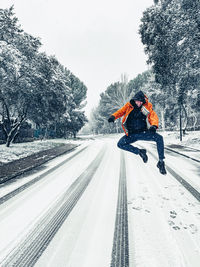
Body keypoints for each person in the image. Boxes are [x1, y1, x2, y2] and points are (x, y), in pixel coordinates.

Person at [108, 90, 167, 175]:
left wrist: (154, 125)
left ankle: (161, 162)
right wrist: (113, 116)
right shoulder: (129, 106)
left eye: (140, 102)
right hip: (132, 134)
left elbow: (152, 115)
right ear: (134, 100)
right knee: (120, 144)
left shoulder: (146, 107)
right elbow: (121, 111)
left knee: (159, 138)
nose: (139, 103)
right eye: (137, 101)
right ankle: (140, 152)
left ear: (143, 101)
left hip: (143, 132)